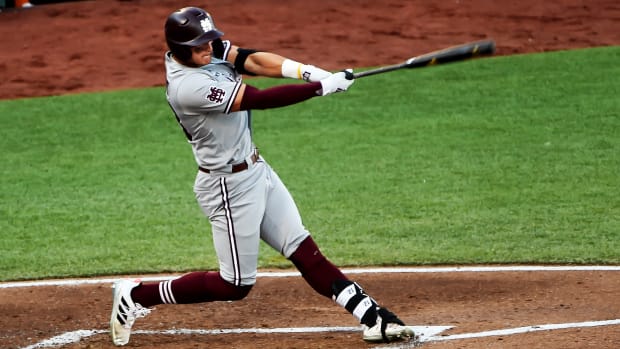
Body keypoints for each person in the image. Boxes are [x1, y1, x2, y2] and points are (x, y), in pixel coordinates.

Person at [109, 6, 415, 347]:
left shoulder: (205, 54)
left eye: (210, 42)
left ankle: (373, 318)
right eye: (200, 46)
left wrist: (308, 72)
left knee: (302, 248)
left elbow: (252, 61)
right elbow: (258, 99)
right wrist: (320, 89)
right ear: (181, 50)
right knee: (235, 285)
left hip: (256, 170)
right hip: (227, 186)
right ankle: (137, 295)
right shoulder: (188, 86)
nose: (209, 49)